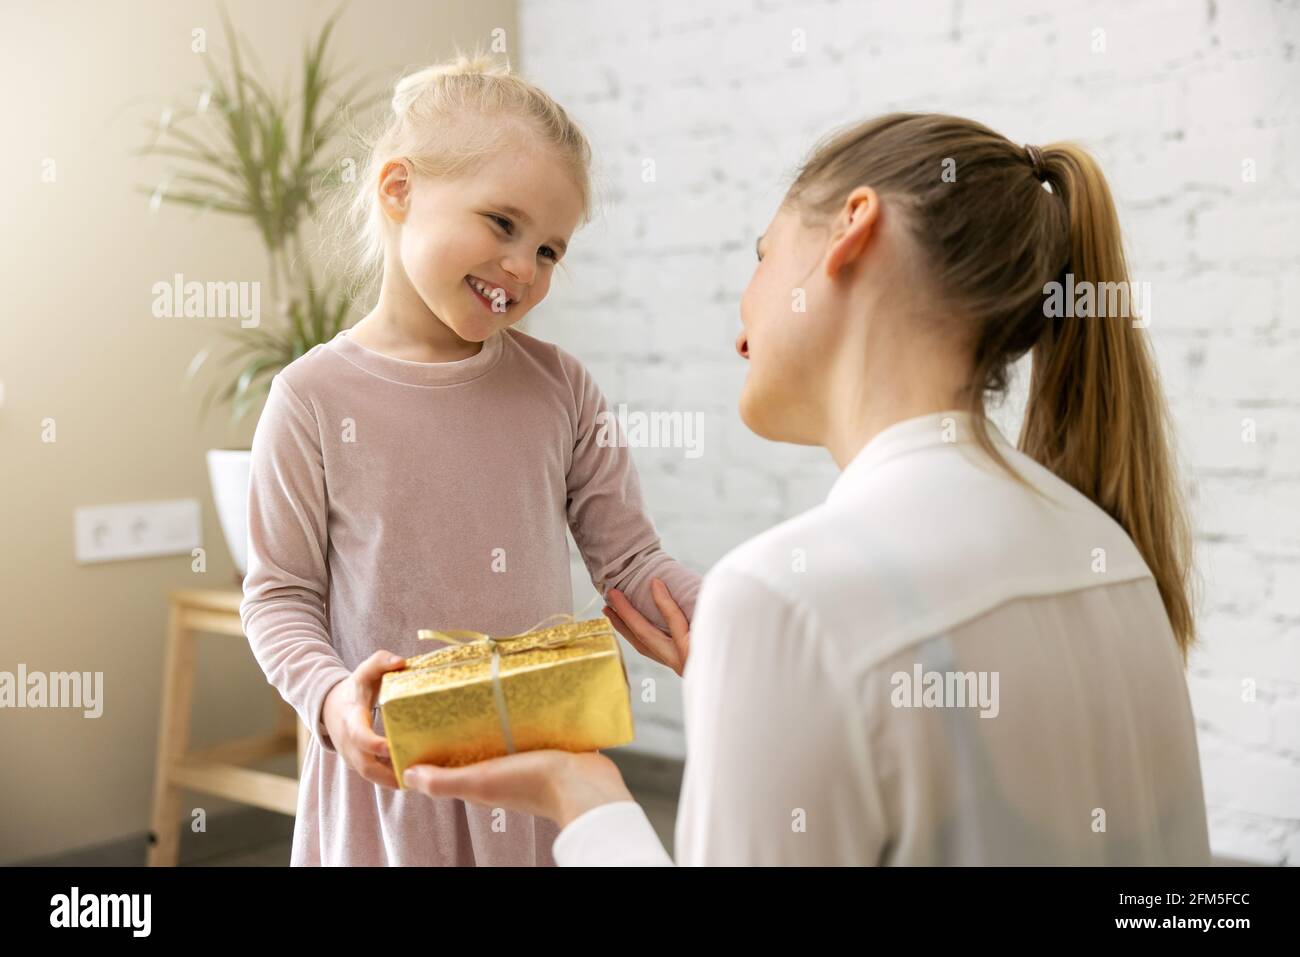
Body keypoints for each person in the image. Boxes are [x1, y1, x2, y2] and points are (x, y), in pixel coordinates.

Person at [404, 112, 1211, 866]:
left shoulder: (784, 599)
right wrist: (775, 691)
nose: (743, 309)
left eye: (762, 255)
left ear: (852, 229)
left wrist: (586, 802)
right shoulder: (1111, 552)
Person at [239, 54, 699, 866]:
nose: (523, 267)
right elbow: (279, 595)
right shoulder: (311, 398)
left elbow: (630, 559)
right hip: (391, 786)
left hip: (538, 780)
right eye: (502, 224)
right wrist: (330, 695)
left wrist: (736, 621)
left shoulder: (560, 387)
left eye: (551, 250)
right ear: (398, 189)